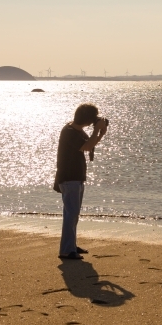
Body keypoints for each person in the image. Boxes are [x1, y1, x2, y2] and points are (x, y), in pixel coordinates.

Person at [54, 103, 108, 260]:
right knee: (71, 214)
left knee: (73, 214)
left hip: (75, 178)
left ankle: (71, 246)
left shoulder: (76, 130)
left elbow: (90, 145)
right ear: (87, 119)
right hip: (69, 178)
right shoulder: (70, 132)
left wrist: (100, 133)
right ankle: (66, 250)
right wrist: (97, 130)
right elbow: (86, 147)